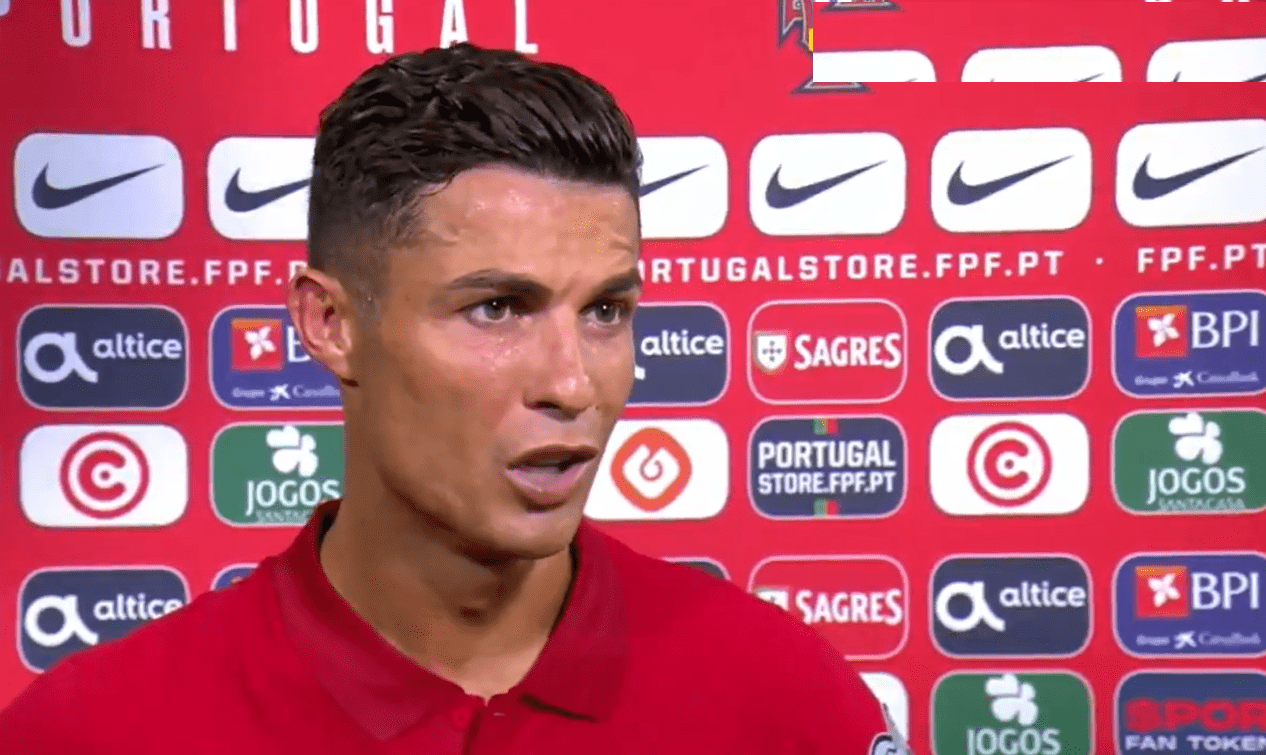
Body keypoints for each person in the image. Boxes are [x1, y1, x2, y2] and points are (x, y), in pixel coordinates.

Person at [0, 43, 906, 754]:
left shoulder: (784, 697)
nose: (571, 383)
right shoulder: (97, 728)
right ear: (330, 323)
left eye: (605, 310)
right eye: (497, 308)